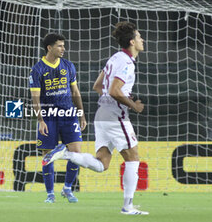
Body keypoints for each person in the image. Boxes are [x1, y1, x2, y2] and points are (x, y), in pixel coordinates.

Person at [43, 22, 149, 215]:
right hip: (115, 115)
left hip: (102, 114)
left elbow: (97, 86)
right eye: (140, 37)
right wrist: (133, 104)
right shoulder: (126, 62)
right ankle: (128, 206)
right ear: (132, 41)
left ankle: (65, 154)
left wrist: (115, 97)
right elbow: (113, 89)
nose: (143, 40)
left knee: (102, 164)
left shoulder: (115, 58)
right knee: (133, 158)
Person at [30, 33, 87, 203]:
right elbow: (35, 98)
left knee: (76, 153)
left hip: (69, 115)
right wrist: (40, 120)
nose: (64, 49)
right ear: (49, 48)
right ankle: (50, 194)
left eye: (63, 45)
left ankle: (67, 188)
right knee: (47, 155)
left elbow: (75, 92)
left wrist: (81, 114)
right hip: (48, 117)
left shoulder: (68, 66)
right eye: (60, 46)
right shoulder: (38, 69)